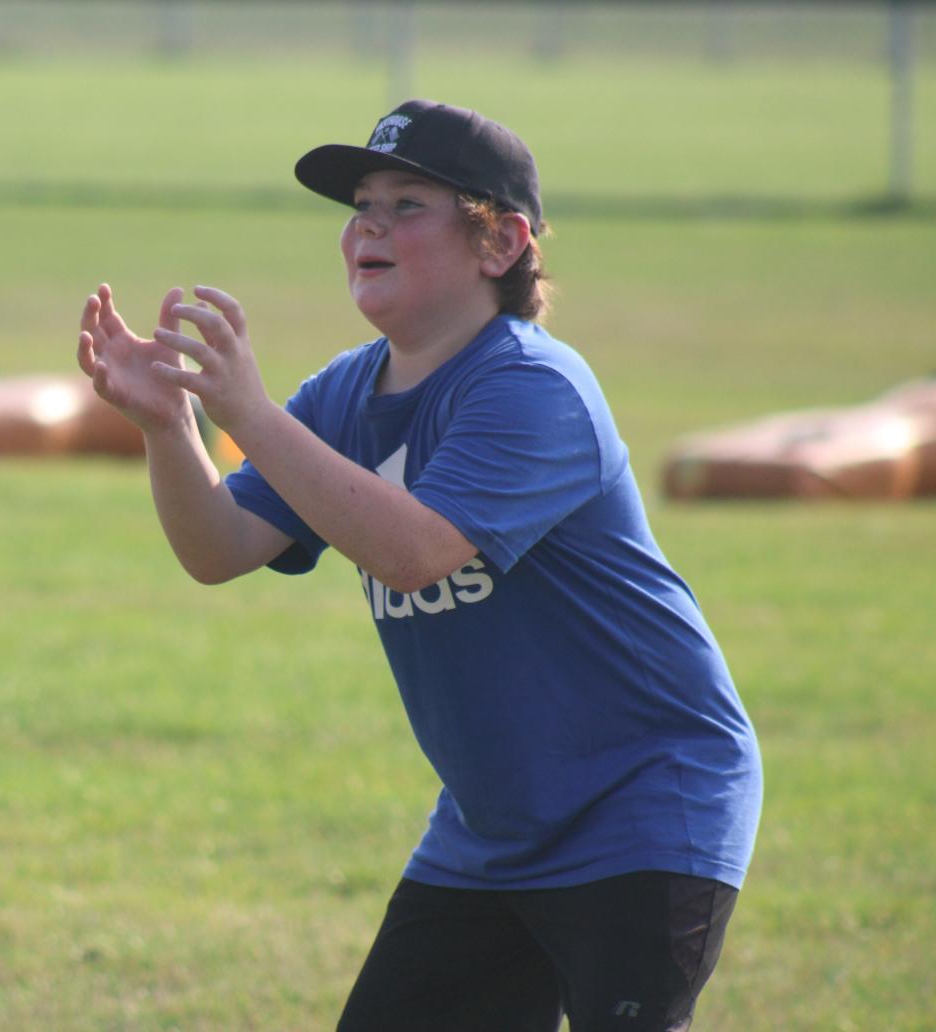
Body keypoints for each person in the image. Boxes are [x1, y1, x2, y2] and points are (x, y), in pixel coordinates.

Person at [76, 99, 763, 1032]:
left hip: (641, 806)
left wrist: (249, 414)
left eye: (409, 205)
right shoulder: (347, 391)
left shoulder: (532, 385)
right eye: (362, 205)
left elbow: (415, 553)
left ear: (502, 242)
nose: (369, 226)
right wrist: (170, 428)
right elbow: (218, 550)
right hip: (492, 833)